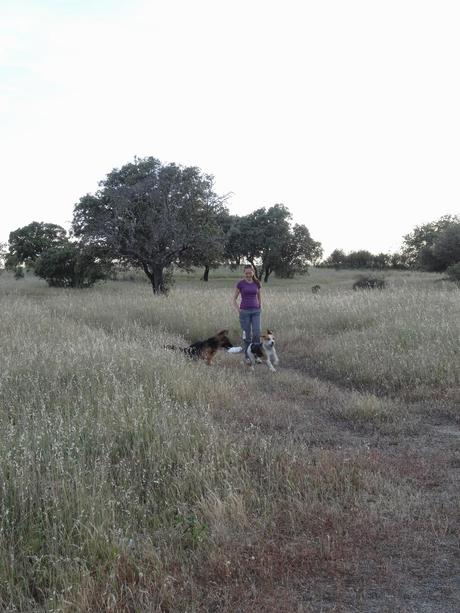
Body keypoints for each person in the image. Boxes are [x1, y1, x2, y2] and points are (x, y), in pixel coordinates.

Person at [232, 264, 262, 361]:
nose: (248, 275)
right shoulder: (240, 284)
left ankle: (257, 355)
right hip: (244, 312)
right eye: (246, 273)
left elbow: (259, 296)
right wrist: (238, 310)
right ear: (244, 273)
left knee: (257, 333)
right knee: (247, 335)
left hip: (256, 311)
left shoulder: (257, 283)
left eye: (250, 273)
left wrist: (260, 306)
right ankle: (248, 356)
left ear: (253, 272)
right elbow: (234, 299)